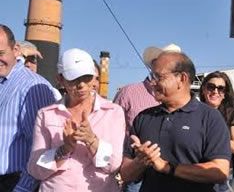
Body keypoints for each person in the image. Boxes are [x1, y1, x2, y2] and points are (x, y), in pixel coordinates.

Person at [119, 51, 231, 192]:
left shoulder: (210, 118)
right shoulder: (143, 118)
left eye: (159, 77)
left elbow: (220, 171)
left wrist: (168, 167)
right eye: (152, 76)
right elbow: (125, 174)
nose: (153, 82)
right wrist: (140, 161)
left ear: (182, 79)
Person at [27, 48, 125, 191]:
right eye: (74, 78)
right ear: (60, 79)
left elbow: (112, 165)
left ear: (94, 77)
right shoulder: (46, 114)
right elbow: (35, 169)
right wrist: (64, 149)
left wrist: (92, 140)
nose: (81, 85)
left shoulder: (113, 112)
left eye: (87, 77)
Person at [114, 43, 181, 192]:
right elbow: (112, 131)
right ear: (153, 64)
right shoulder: (128, 93)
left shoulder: (182, 101)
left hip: (171, 174)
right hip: (135, 173)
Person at [0, 24, 55, 191]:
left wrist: (22, 189)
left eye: (0, 54)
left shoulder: (32, 86)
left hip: (11, 183)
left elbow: (42, 148)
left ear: (16, 49)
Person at [198, 71, 234, 174]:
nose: (215, 91)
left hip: (222, 171)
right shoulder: (194, 112)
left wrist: (207, 140)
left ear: (225, 94)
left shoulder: (233, 112)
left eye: (220, 88)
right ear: (203, 90)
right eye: (211, 87)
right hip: (197, 168)